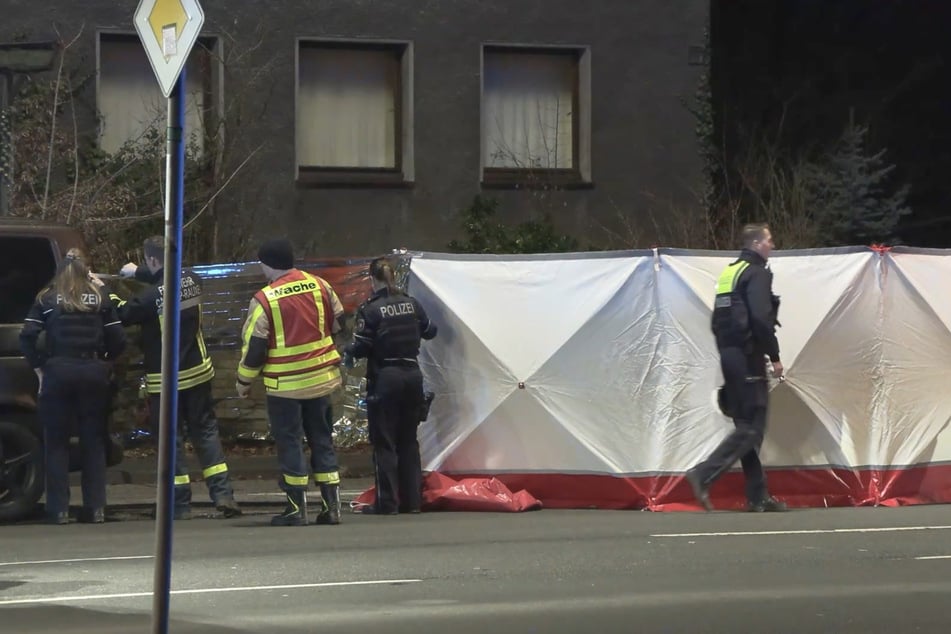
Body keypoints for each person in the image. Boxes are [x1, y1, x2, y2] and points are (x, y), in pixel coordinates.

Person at [113, 236, 241, 520]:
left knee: (171, 441)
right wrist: (138, 272)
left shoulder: (148, 298)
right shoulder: (193, 280)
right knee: (206, 433)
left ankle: (178, 503)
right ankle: (223, 495)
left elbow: (124, 312)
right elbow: (166, 279)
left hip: (167, 380)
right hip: (198, 373)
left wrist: (105, 291)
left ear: (153, 259)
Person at [236, 238, 346, 526]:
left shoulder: (265, 299)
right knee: (322, 440)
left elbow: (255, 349)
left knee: (290, 443)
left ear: (267, 264)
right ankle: (332, 508)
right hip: (322, 380)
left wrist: (243, 381)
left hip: (286, 387)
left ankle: (297, 509)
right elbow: (339, 323)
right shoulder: (320, 285)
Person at [686, 223, 787, 513]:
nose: (772, 245)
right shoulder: (757, 273)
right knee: (753, 426)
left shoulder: (730, 272)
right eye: (769, 240)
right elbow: (760, 318)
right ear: (756, 244)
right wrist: (774, 355)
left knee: (745, 425)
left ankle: (757, 496)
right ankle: (704, 473)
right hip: (748, 355)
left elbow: (718, 320)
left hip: (729, 355)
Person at [19, 248, 126, 524]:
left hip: (58, 371)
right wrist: (105, 361)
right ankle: (96, 508)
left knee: (56, 443)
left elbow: (27, 336)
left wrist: (40, 367)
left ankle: (59, 510)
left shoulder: (47, 298)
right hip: (93, 372)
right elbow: (118, 338)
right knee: (94, 441)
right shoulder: (99, 297)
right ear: (86, 271)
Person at [344, 257, 437, 515]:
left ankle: (387, 503)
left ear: (372, 279)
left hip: (386, 377)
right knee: (408, 441)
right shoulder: (412, 304)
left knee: (384, 442)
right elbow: (431, 331)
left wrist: (348, 350)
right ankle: (413, 502)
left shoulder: (371, 309)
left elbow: (362, 346)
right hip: (412, 376)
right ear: (393, 276)